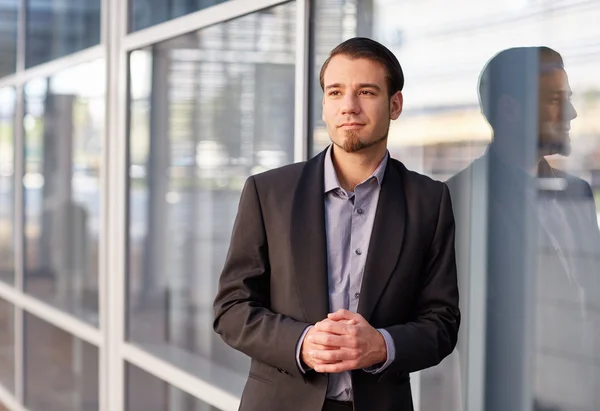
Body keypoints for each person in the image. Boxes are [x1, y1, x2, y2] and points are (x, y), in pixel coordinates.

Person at [213, 37, 460, 411]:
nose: (349, 106)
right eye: (335, 92)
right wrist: (300, 342)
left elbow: (441, 323)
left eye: (366, 91)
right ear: (325, 105)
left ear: (395, 104)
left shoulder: (429, 201)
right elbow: (231, 308)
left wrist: (382, 345)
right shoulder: (268, 192)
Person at [447, 47, 600, 411]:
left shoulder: (577, 192)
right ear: (510, 109)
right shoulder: (459, 198)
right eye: (555, 100)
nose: (571, 114)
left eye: (569, 99)